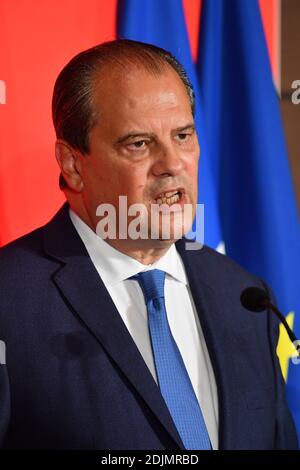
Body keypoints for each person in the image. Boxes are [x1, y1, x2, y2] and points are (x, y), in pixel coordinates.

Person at [0, 39, 297, 450]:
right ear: (73, 164)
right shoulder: (9, 302)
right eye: (139, 143)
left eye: (183, 135)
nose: (173, 164)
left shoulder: (246, 297)